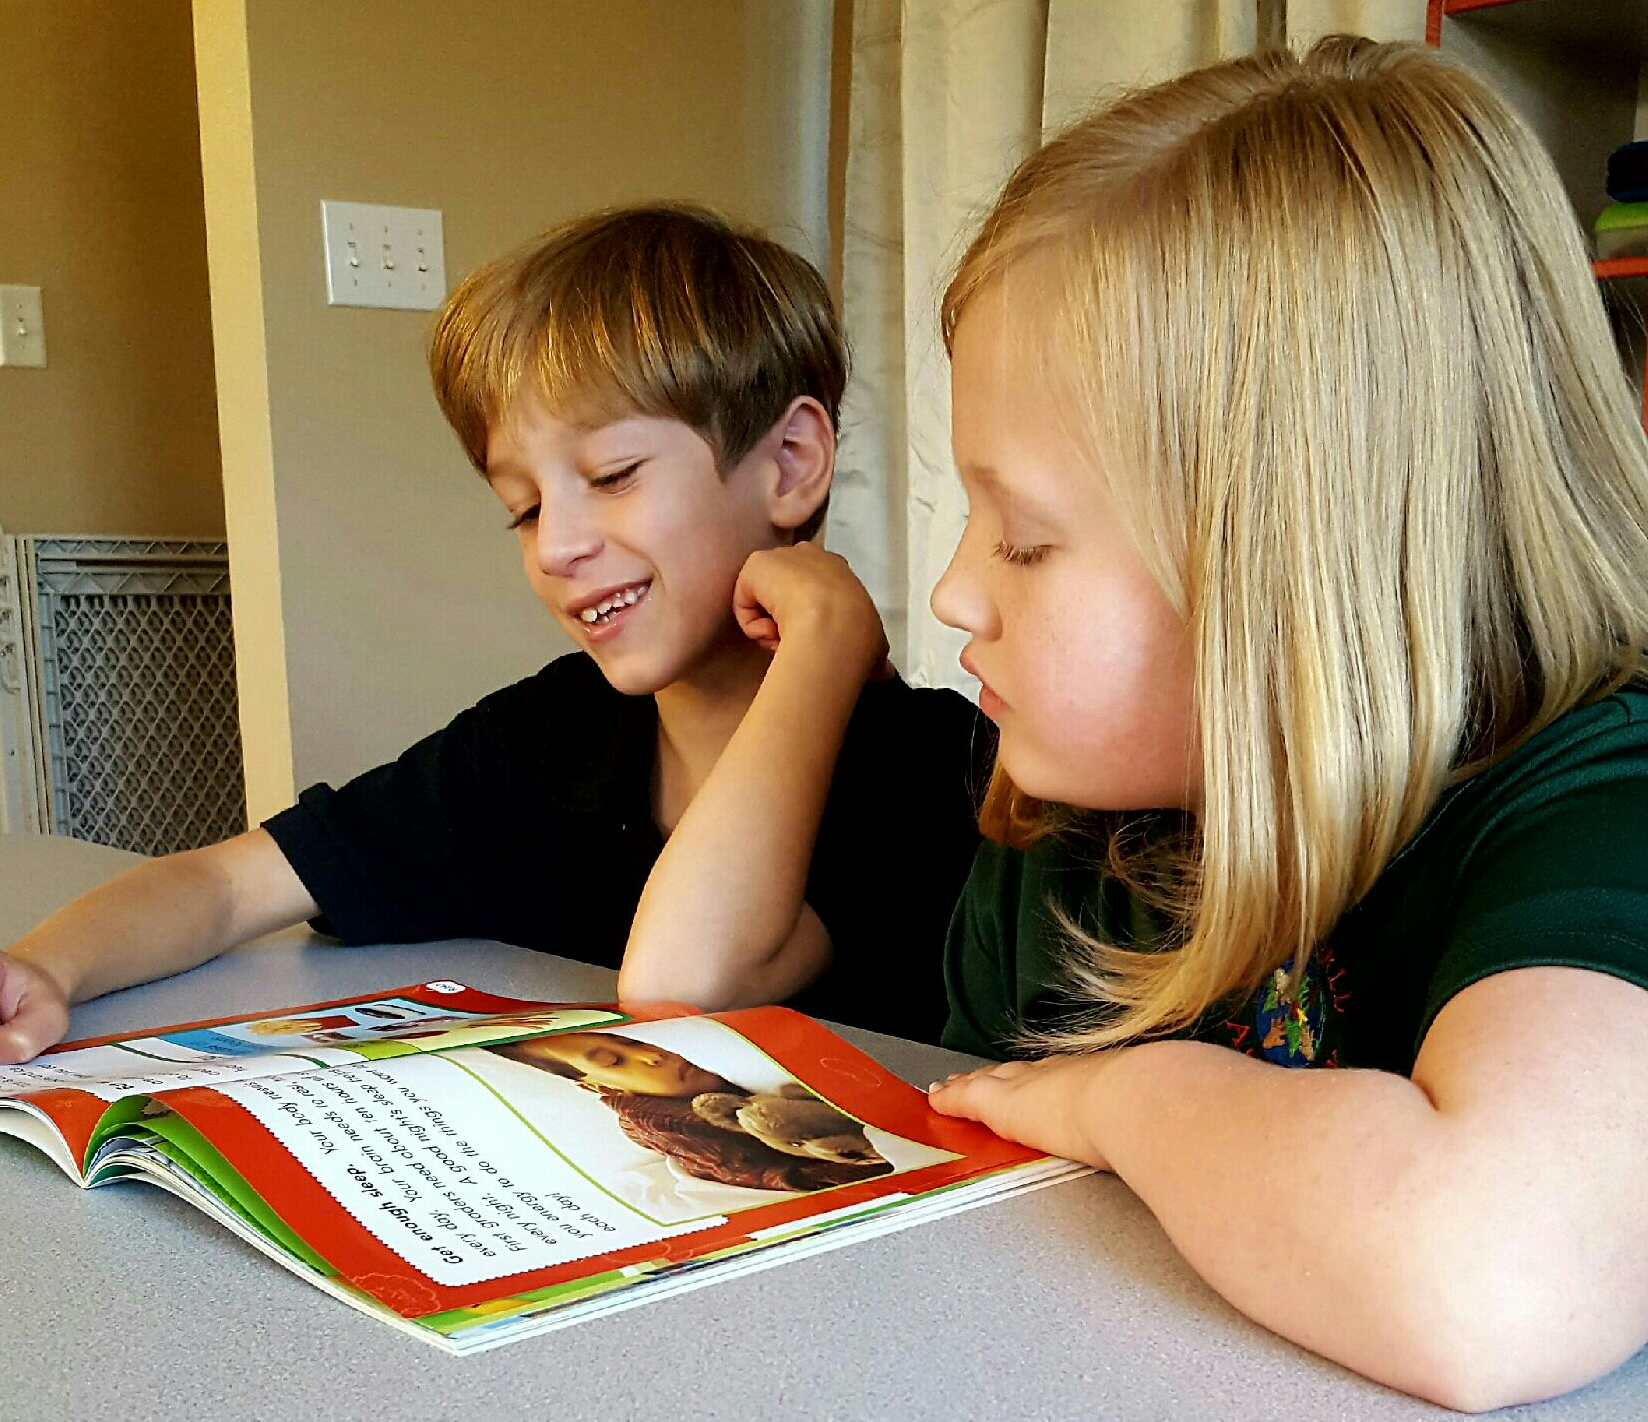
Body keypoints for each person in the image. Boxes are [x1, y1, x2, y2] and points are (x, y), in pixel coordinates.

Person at [920, 38, 1648, 1411]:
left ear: (1301, 566)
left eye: (1023, 538)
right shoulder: (1075, 815)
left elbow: (1494, 1276)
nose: (956, 587)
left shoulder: (1599, 806)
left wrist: (1118, 1097)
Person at [0, 205, 992, 1065]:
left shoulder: (932, 770)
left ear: (788, 464)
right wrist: (45, 967)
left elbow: (685, 985)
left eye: (610, 477)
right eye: (521, 509)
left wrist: (822, 633)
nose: (557, 546)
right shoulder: (546, 737)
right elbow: (223, 886)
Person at [489, 1030, 890, 1193]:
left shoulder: (709, 1054)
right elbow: (764, 1171)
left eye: (631, 1040)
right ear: (599, 1086)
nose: (651, 1055)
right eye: (615, 1062)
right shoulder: (656, 1119)